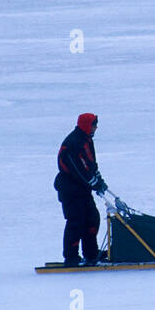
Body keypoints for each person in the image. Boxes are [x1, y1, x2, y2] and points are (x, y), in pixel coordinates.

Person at [54, 112, 108, 266]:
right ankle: (71, 257)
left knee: (92, 219)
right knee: (76, 222)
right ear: (86, 125)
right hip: (70, 189)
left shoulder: (87, 140)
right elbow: (79, 171)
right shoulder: (73, 143)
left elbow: (91, 165)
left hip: (83, 189)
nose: (96, 128)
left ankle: (91, 253)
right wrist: (94, 183)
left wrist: (99, 180)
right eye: (94, 125)